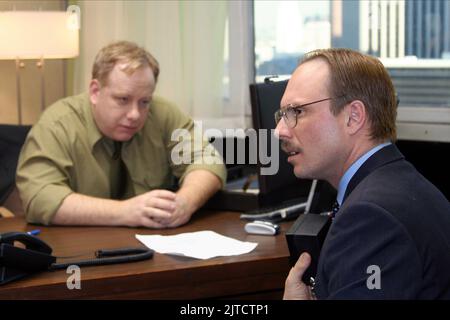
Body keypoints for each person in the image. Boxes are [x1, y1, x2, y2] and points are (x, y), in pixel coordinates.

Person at [277, 48, 450, 299]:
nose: (280, 130)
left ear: (353, 117)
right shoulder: (400, 184)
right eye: (282, 115)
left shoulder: (370, 217)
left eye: (297, 112)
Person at [16, 41, 226, 229]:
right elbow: (39, 197)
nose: (135, 114)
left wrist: (185, 202)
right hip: (79, 253)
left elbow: (207, 161)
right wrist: (125, 212)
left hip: (154, 250)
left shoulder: (162, 113)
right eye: (123, 99)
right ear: (95, 92)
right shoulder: (56, 125)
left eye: (144, 101)